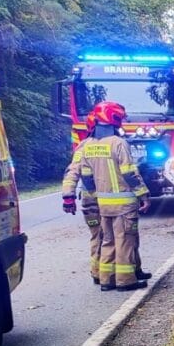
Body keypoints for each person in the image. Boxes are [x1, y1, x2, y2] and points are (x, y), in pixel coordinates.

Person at [63, 101, 150, 291]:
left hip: (102, 205)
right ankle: (126, 281)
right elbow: (129, 173)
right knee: (125, 240)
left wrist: (96, 194)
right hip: (123, 204)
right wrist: (143, 194)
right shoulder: (119, 143)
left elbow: (85, 177)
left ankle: (105, 279)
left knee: (107, 240)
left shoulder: (88, 146)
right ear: (115, 120)